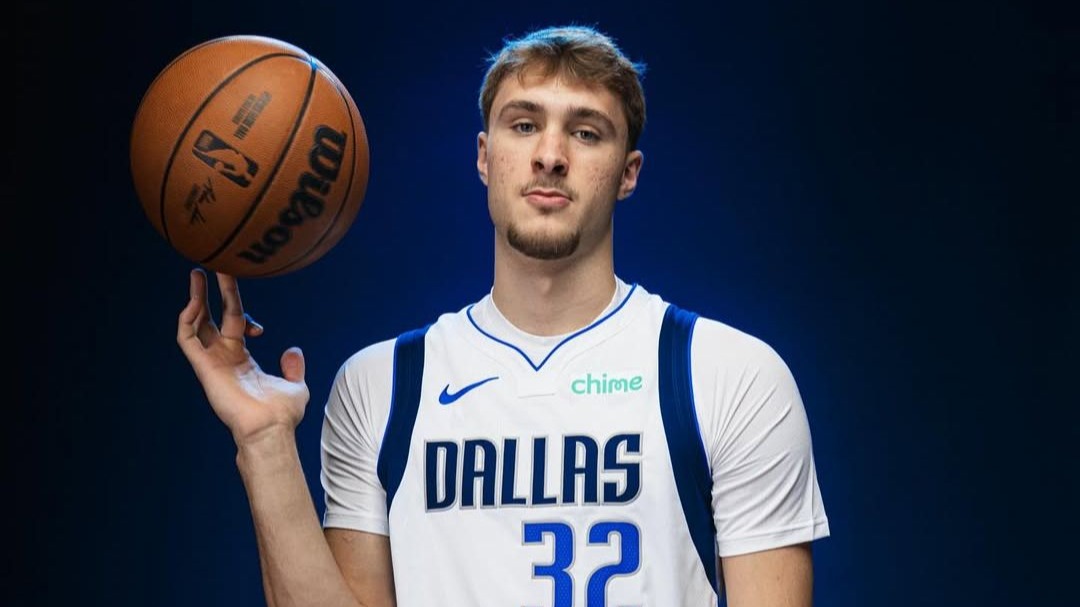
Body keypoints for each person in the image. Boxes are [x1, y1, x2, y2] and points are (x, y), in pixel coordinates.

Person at [177, 24, 830, 607]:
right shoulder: (381, 385)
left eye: (586, 132)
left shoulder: (727, 376)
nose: (550, 155)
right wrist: (264, 442)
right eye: (524, 125)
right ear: (484, 157)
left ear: (628, 173)